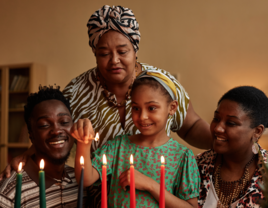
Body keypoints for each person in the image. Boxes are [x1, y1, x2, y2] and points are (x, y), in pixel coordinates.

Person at [1, 4, 211, 207]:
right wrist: (27, 156)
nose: (114, 60)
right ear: (95, 54)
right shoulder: (76, 92)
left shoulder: (160, 85)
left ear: (135, 49)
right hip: (94, 199)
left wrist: (226, 142)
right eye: (104, 54)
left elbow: (191, 126)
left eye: (123, 51)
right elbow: (55, 129)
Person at [75, 71, 200, 208]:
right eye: (136, 108)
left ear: (172, 107)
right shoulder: (118, 146)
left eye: (152, 108)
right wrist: (83, 143)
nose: (142, 117)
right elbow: (85, 179)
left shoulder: (182, 156)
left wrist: (150, 185)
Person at [0, 86, 87, 207]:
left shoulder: (82, 181)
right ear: (31, 135)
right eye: (44, 125)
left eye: (64, 122)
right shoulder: (9, 192)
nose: (57, 131)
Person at [196, 86, 268, 208]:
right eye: (216, 119)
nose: (218, 128)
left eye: (231, 123)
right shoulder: (196, 166)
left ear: (257, 131)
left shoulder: (266, 172)